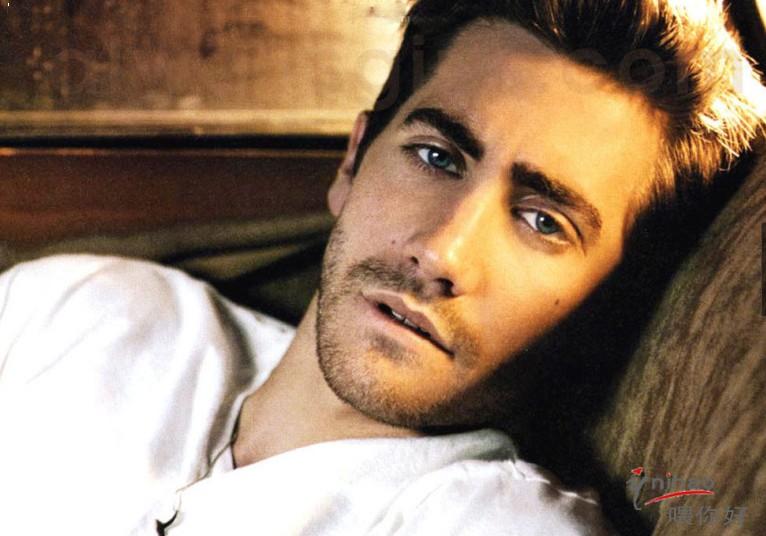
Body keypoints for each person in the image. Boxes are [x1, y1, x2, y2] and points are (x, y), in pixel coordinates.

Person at [0, 1, 763, 535]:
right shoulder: (82, 306)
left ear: (605, 301)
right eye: (437, 157)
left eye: (542, 221)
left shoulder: (496, 523)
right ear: (353, 161)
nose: (442, 250)